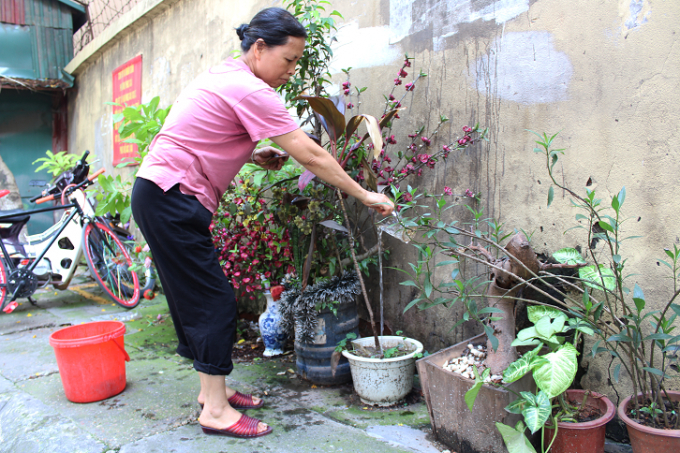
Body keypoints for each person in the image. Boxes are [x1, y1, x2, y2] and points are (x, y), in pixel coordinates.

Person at [130, 7, 394, 440]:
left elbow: (196, 133)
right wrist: (365, 194)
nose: (291, 71)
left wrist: (251, 154)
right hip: (171, 197)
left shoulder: (225, 74)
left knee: (193, 297)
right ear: (258, 48)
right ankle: (215, 411)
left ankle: (211, 393)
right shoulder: (252, 90)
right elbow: (310, 154)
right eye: (288, 60)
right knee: (212, 301)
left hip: (159, 191)